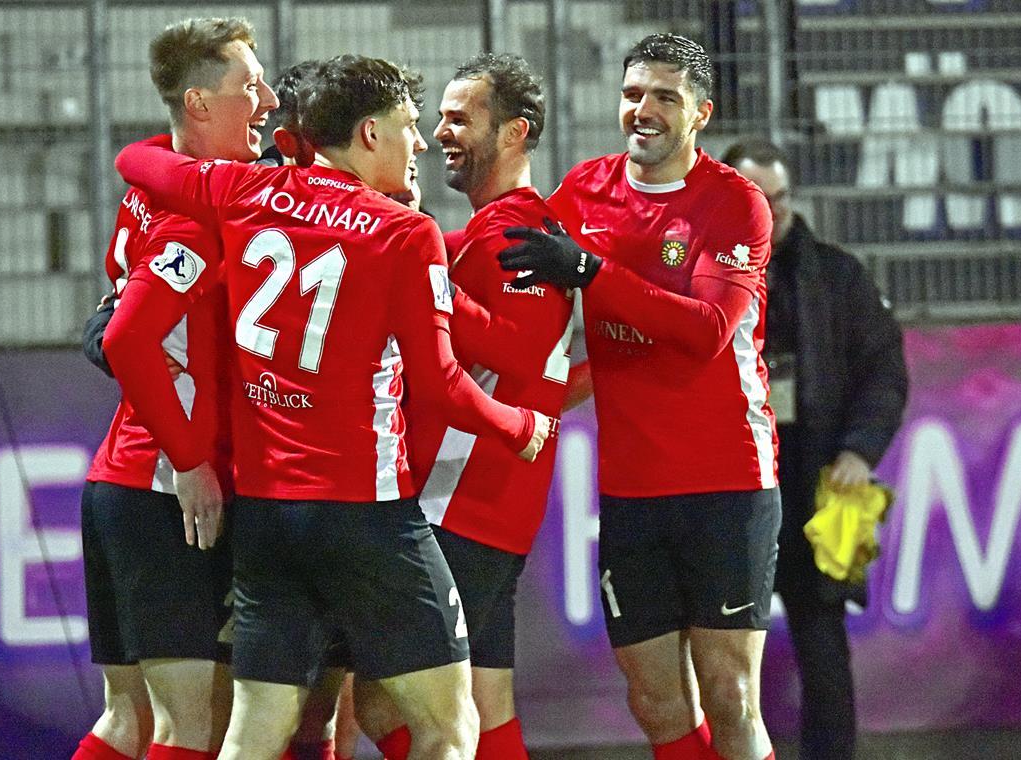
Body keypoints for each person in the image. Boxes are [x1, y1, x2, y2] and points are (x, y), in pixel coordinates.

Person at [114, 54, 552, 760]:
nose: (419, 142)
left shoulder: (243, 191)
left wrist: (144, 147)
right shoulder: (402, 233)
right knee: (451, 726)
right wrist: (519, 425)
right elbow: (439, 381)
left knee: (257, 727)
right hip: (366, 514)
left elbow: (142, 164)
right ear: (370, 134)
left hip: (265, 515)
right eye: (409, 126)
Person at [499, 33, 779, 760]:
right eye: (632, 95)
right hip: (630, 488)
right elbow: (508, 252)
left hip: (728, 482)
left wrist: (591, 270)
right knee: (655, 701)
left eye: (665, 97)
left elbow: (710, 329)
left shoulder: (735, 204)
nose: (643, 110)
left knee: (732, 696)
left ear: (701, 114)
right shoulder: (586, 191)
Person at [352, 52, 573, 760]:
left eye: (460, 117)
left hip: (466, 500)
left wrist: (424, 286)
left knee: (384, 698)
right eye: (438, 117)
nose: (442, 131)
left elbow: (514, 351)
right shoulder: (490, 228)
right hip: (481, 495)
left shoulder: (522, 234)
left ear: (515, 133)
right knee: (484, 699)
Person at [72, 17, 279, 760]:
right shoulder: (194, 222)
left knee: (126, 723)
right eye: (247, 87)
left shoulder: (149, 183)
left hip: (118, 481)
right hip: (164, 491)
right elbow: (128, 337)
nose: (267, 98)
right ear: (198, 103)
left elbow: (122, 311)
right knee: (190, 729)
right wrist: (192, 460)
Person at [722, 138, 908, 760]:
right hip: (730, 484)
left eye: (782, 200)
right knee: (716, 651)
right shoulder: (691, 263)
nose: (775, 216)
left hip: (814, 474)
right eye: (759, 201)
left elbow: (884, 371)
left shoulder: (837, 274)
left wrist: (860, 450)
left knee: (822, 640)